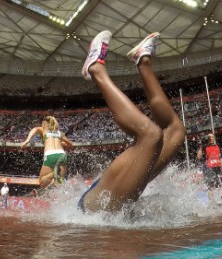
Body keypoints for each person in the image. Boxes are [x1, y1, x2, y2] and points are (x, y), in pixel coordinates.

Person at [77, 31, 186, 212]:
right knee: (170, 132)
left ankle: (128, 62)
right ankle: (108, 66)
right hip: (98, 207)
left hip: (98, 204)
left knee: (165, 134)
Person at [21, 116, 73, 189]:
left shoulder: (44, 129)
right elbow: (70, 144)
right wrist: (60, 143)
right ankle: (55, 175)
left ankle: (54, 173)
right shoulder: (60, 133)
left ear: (44, 123)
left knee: (42, 182)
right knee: (58, 184)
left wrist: (27, 140)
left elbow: (35, 129)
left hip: (50, 154)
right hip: (62, 155)